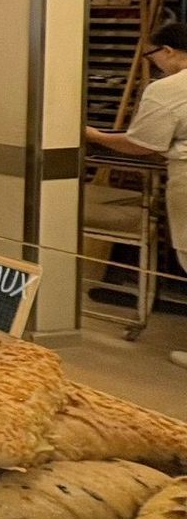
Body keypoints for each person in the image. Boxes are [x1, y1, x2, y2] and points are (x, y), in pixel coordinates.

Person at [85, 20, 187, 370]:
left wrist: (95, 135)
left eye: (152, 55)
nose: (153, 62)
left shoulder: (169, 88)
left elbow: (144, 144)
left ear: (168, 51)